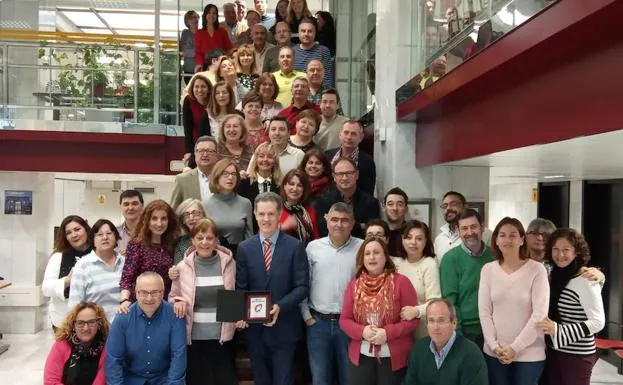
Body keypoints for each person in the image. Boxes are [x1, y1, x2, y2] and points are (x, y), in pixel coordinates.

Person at [235, 192, 310, 385]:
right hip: (255, 331)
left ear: (279, 215)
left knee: (284, 380)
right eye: (261, 214)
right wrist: (238, 314)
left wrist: (280, 306)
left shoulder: (295, 247)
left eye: (270, 214)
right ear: (255, 214)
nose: (266, 219)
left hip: (285, 329)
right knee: (261, 380)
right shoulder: (244, 248)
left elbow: (302, 287)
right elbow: (241, 286)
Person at [479, 217, 549, 385]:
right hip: (495, 352)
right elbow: (485, 312)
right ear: (496, 240)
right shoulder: (488, 270)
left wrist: (515, 348)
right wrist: (495, 346)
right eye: (502, 235)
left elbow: (539, 314)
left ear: (522, 240)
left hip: (530, 355)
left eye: (513, 235)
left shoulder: (536, 269)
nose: (507, 240)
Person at [339, 237, 419, 385]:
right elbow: (344, 320)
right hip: (361, 355)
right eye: (367, 253)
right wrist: (362, 331)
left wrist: (387, 333)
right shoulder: (353, 286)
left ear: (385, 256)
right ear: (362, 258)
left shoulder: (401, 282)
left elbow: (413, 321)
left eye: (376, 252)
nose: (372, 257)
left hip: (393, 356)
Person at [169, 218, 237, 385]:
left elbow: (233, 292)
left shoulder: (228, 262)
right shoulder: (182, 267)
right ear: (192, 240)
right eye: (199, 238)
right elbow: (172, 296)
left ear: (216, 240)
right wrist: (177, 301)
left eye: (209, 238)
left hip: (222, 336)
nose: (204, 242)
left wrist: (238, 317)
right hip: (193, 337)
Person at [302, 202, 363, 385]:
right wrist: (306, 316)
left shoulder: (363, 248)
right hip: (317, 323)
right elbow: (303, 283)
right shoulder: (313, 248)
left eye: (344, 220)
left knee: (349, 379)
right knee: (320, 379)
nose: (339, 224)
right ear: (326, 220)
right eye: (334, 219)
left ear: (352, 223)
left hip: (350, 324)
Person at [536, 228, 606, 385]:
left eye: (566, 250)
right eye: (555, 249)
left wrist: (558, 329)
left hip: (577, 355)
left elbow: (598, 322)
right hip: (554, 351)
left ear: (577, 252)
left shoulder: (586, 278)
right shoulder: (555, 274)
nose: (560, 255)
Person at [106, 272, 187, 385]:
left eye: (155, 292)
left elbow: (178, 356)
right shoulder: (122, 318)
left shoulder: (175, 316)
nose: (149, 298)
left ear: (163, 293)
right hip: (131, 379)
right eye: (144, 292)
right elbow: (113, 359)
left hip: (164, 379)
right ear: (136, 293)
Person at [439, 208, 493, 349]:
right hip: (467, 333)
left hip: (495, 329)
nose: (469, 233)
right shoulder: (450, 259)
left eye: (474, 227)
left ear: (482, 227)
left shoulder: (495, 256)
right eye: (464, 228)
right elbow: (450, 301)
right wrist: (458, 335)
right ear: (458, 231)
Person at [402, 299, 488, 385]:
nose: (436, 327)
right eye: (431, 321)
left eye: (441, 320)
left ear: (454, 323)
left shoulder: (471, 354)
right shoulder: (419, 349)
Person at [118, 200, 180, 309]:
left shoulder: (173, 244)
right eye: (154, 218)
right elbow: (127, 277)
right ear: (146, 220)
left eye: (164, 218)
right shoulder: (136, 245)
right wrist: (124, 300)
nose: (159, 223)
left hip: (165, 305)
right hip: (141, 304)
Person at [68, 219, 125, 323]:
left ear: (116, 237)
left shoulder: (125, 263)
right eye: (99, 234)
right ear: (92, 240)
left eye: (109, 233)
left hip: (124, 326)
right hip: (95, 328)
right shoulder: (83, 265)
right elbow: (75, 305)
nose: (105, 237)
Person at [42, 215, 93, 331]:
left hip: (94, 319)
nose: (74, 235)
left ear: (86, 229)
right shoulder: (58, 256)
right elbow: (46, 288)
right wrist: (67, 281)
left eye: (77, 229)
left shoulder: (98, 253)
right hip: (64, 320)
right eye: (68, 232)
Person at [395, 220, 442, 340]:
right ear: (402, 239)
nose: (413, 242)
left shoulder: (429, 264)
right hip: (398, 328)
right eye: (408, 237)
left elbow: (435, 302)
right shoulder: (396, 264)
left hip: (421, 328)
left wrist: (416, 311)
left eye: (419, 239)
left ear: (426, 241)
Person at [314, 157, 380, 239]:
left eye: (349, 173)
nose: (345, 178)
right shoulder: (323, 201)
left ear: (357, 175)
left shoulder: (371, 203)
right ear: (334, 177)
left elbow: (372, 231)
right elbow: (323, 230)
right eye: (340, 174)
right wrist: (359, 225)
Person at [44, 302, 109, 385]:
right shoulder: (61, 345)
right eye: (80, 323)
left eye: (91, 322)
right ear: (73, 325)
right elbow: (50, 381)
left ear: (99, 323)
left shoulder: (107, 348)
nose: (86, 328)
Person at [203, 158, 254, 255]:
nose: (230, 177)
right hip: (213, 256)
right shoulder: (205, 205)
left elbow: (249, 237)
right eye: (225, 174)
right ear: (217, 176)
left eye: (233, 174)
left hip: (239, 256)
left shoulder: (245, 203)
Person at [434, 191, 492, 264]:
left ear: (465, 207)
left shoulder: (485, 234)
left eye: (453, 204)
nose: (448, 208)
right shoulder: (439, 239)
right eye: (445, 206)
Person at [239, 142, 283, 232]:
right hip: (249, 232)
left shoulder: (281, 184)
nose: (265, 159)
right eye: (261, 156)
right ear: (255, 159)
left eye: (270, 157)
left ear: (275, 161)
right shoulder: (244, 182)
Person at [325, 120, 376, 195]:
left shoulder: (367, 161)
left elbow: (368, 192)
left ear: (361, 138)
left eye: (353, 134)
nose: (349, 137)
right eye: (346, 133)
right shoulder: (327, 155)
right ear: (340, 135)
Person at [171, 136, 219, 209]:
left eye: (210, 151)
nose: (205, 155)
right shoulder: (182, 180)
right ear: (195, 153)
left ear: (217, 154)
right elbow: (173, 211)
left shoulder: (224, 177)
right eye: (201, 151)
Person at [278, 168, 320, 243]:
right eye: (291, 184)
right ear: (284, 186)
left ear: (304, 189)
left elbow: (316, 240)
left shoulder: (310, 211)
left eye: (299, 185)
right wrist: (284, 227)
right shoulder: (275, 209)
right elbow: (263, 234)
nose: (295, 188)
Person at [293, 19, 334, 87]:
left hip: (319, 95)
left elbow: (328, 79)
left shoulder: (324, 51)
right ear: (298, 33)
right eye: (303, 31)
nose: (306, 34)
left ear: (315, 33)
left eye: (310, 31)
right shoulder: (292, 52)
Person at [182, 75, 212, 167]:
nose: (200, 90)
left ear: (208, 89)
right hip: (196, 143)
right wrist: (189, 151)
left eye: (203, 87)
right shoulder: (188, 100)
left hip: (212, 142)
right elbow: (187, 127)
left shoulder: (213, 101)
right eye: (196, 86)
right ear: (192, 88)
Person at [194, 4, 233, 73]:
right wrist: (199, 65)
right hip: (205, 67)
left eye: (214, 13)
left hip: (221, 67)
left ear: (217, 16)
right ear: (205, 15)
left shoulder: (222, 31)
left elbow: (229, 49)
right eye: (209, 13)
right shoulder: (199, 33)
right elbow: (198, 52)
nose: (211, 15)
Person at [172, 198, 207, 264]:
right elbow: (178, 269)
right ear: (183, 221)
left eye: (195, 213)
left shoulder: (218, 239)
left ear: (203, 216)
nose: (191, 218)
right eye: (186, 215)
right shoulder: (180, 243)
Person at [116, 190, 145, 255]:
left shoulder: (152, 232)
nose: (130, 208)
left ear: (142, 206)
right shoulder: (114, 233)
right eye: (126, 204)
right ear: (120, 207)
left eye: (135, 203)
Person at [382, 187, 409, 256]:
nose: (395, 208)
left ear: (406, 209)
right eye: (390, 204)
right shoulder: (379, 233)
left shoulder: (411, 234)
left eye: (400, 204)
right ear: (384, 208)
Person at [180, 10, 200, 84]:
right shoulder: (185, 33)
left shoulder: (202, 33)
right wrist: (198, 51)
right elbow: (185, 52)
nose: (195, 19)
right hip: (189, 71)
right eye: (192, 17)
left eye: (197, 17)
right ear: (187, 21)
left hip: (201, 70)